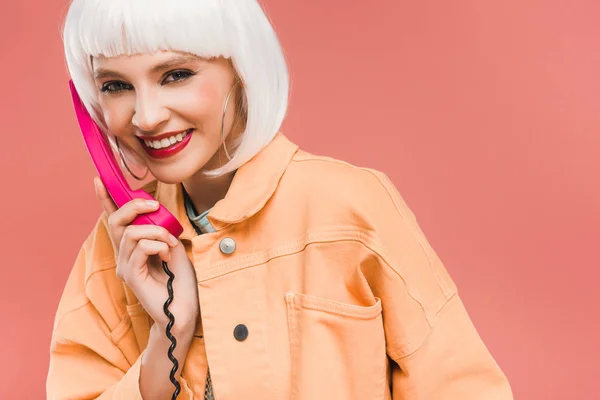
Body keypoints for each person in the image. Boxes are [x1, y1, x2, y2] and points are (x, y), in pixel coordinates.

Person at [46, 0, 514, 399]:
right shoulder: (115, 253)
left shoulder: (351, 208)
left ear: (241, 70)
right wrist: (170, 334)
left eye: (176, 74)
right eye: (115, 85)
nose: (146, 116)